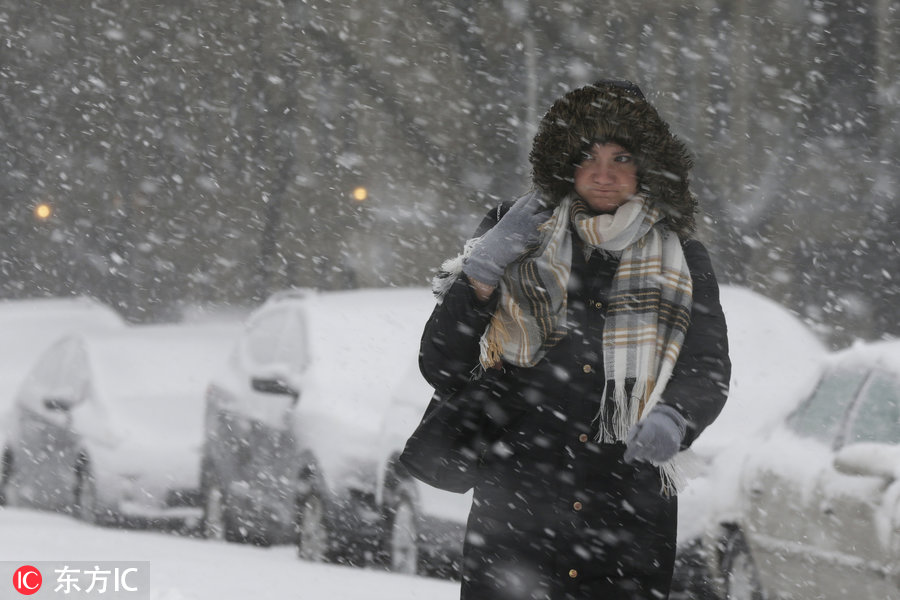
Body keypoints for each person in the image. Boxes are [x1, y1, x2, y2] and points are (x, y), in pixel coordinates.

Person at [416, 79, 731, 600]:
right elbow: (442, 363)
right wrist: (482, 272)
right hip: (516, 507)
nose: (603, 173)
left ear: (646, 166)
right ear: (564, 163)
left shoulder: (683, 259)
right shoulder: (515, 233)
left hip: (627, 517)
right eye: (587, 155)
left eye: (621, 156)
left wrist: (677, 415)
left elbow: (707, 366)